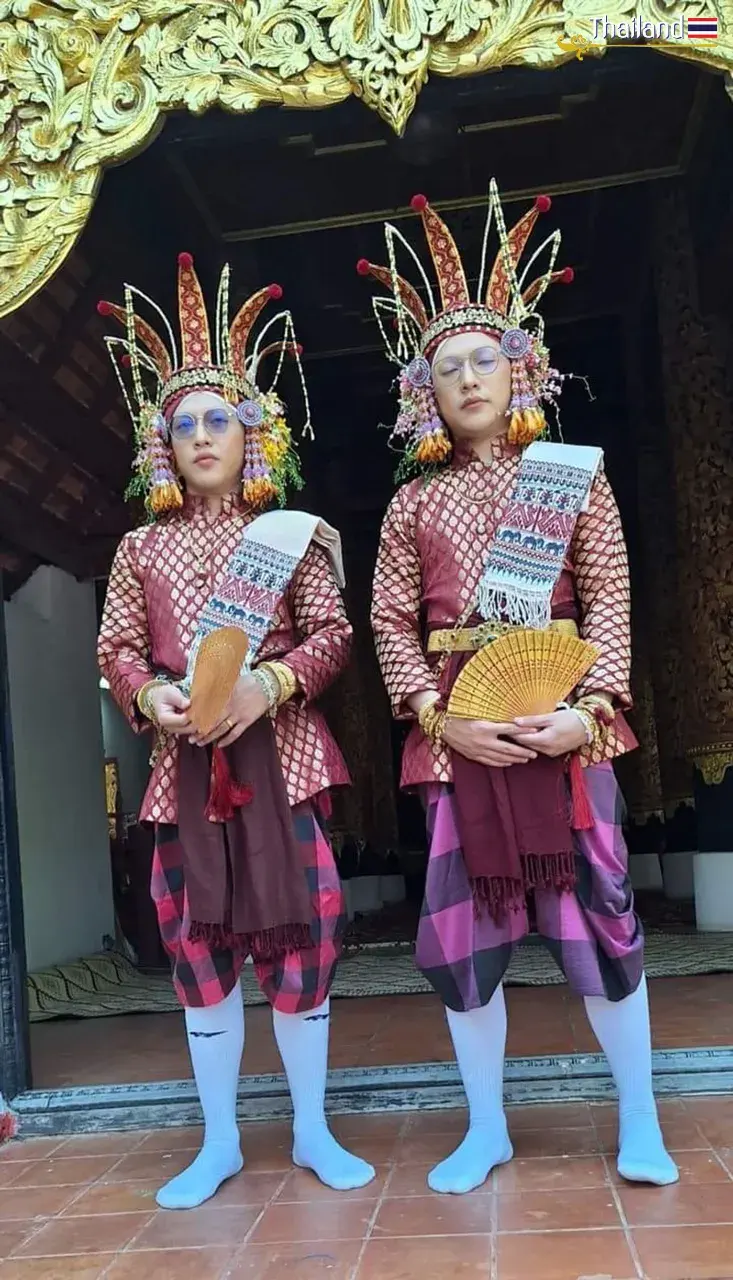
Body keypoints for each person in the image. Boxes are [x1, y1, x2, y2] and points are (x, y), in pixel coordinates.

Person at [363, 184, 678, 1194]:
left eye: (483, 359)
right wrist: (440, 716)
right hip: (460, 740)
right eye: (446, 365)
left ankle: (639, 1117)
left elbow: (611, 597)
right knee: (465, 947)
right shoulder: (411, 502)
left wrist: (586, 708)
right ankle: (486, 1124)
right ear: (426, 391)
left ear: (520, 371)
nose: (466, 377)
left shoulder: (573, 478)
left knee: (607, 928)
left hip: (568, 732)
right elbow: (386, 624)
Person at [98, 254, 375, 1209]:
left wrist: (270, 678)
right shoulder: (140, 547)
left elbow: (338, 636)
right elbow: (116, 647)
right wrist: (152, 699)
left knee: (302, 945)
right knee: (199, 950)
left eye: (219, 418)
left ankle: (309, 1129)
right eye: (185, 424)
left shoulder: (287, 532)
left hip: (284, 762)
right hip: (183, 772)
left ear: (251, 433)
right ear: (161, 447)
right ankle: (218, 1141)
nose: (202, 435)